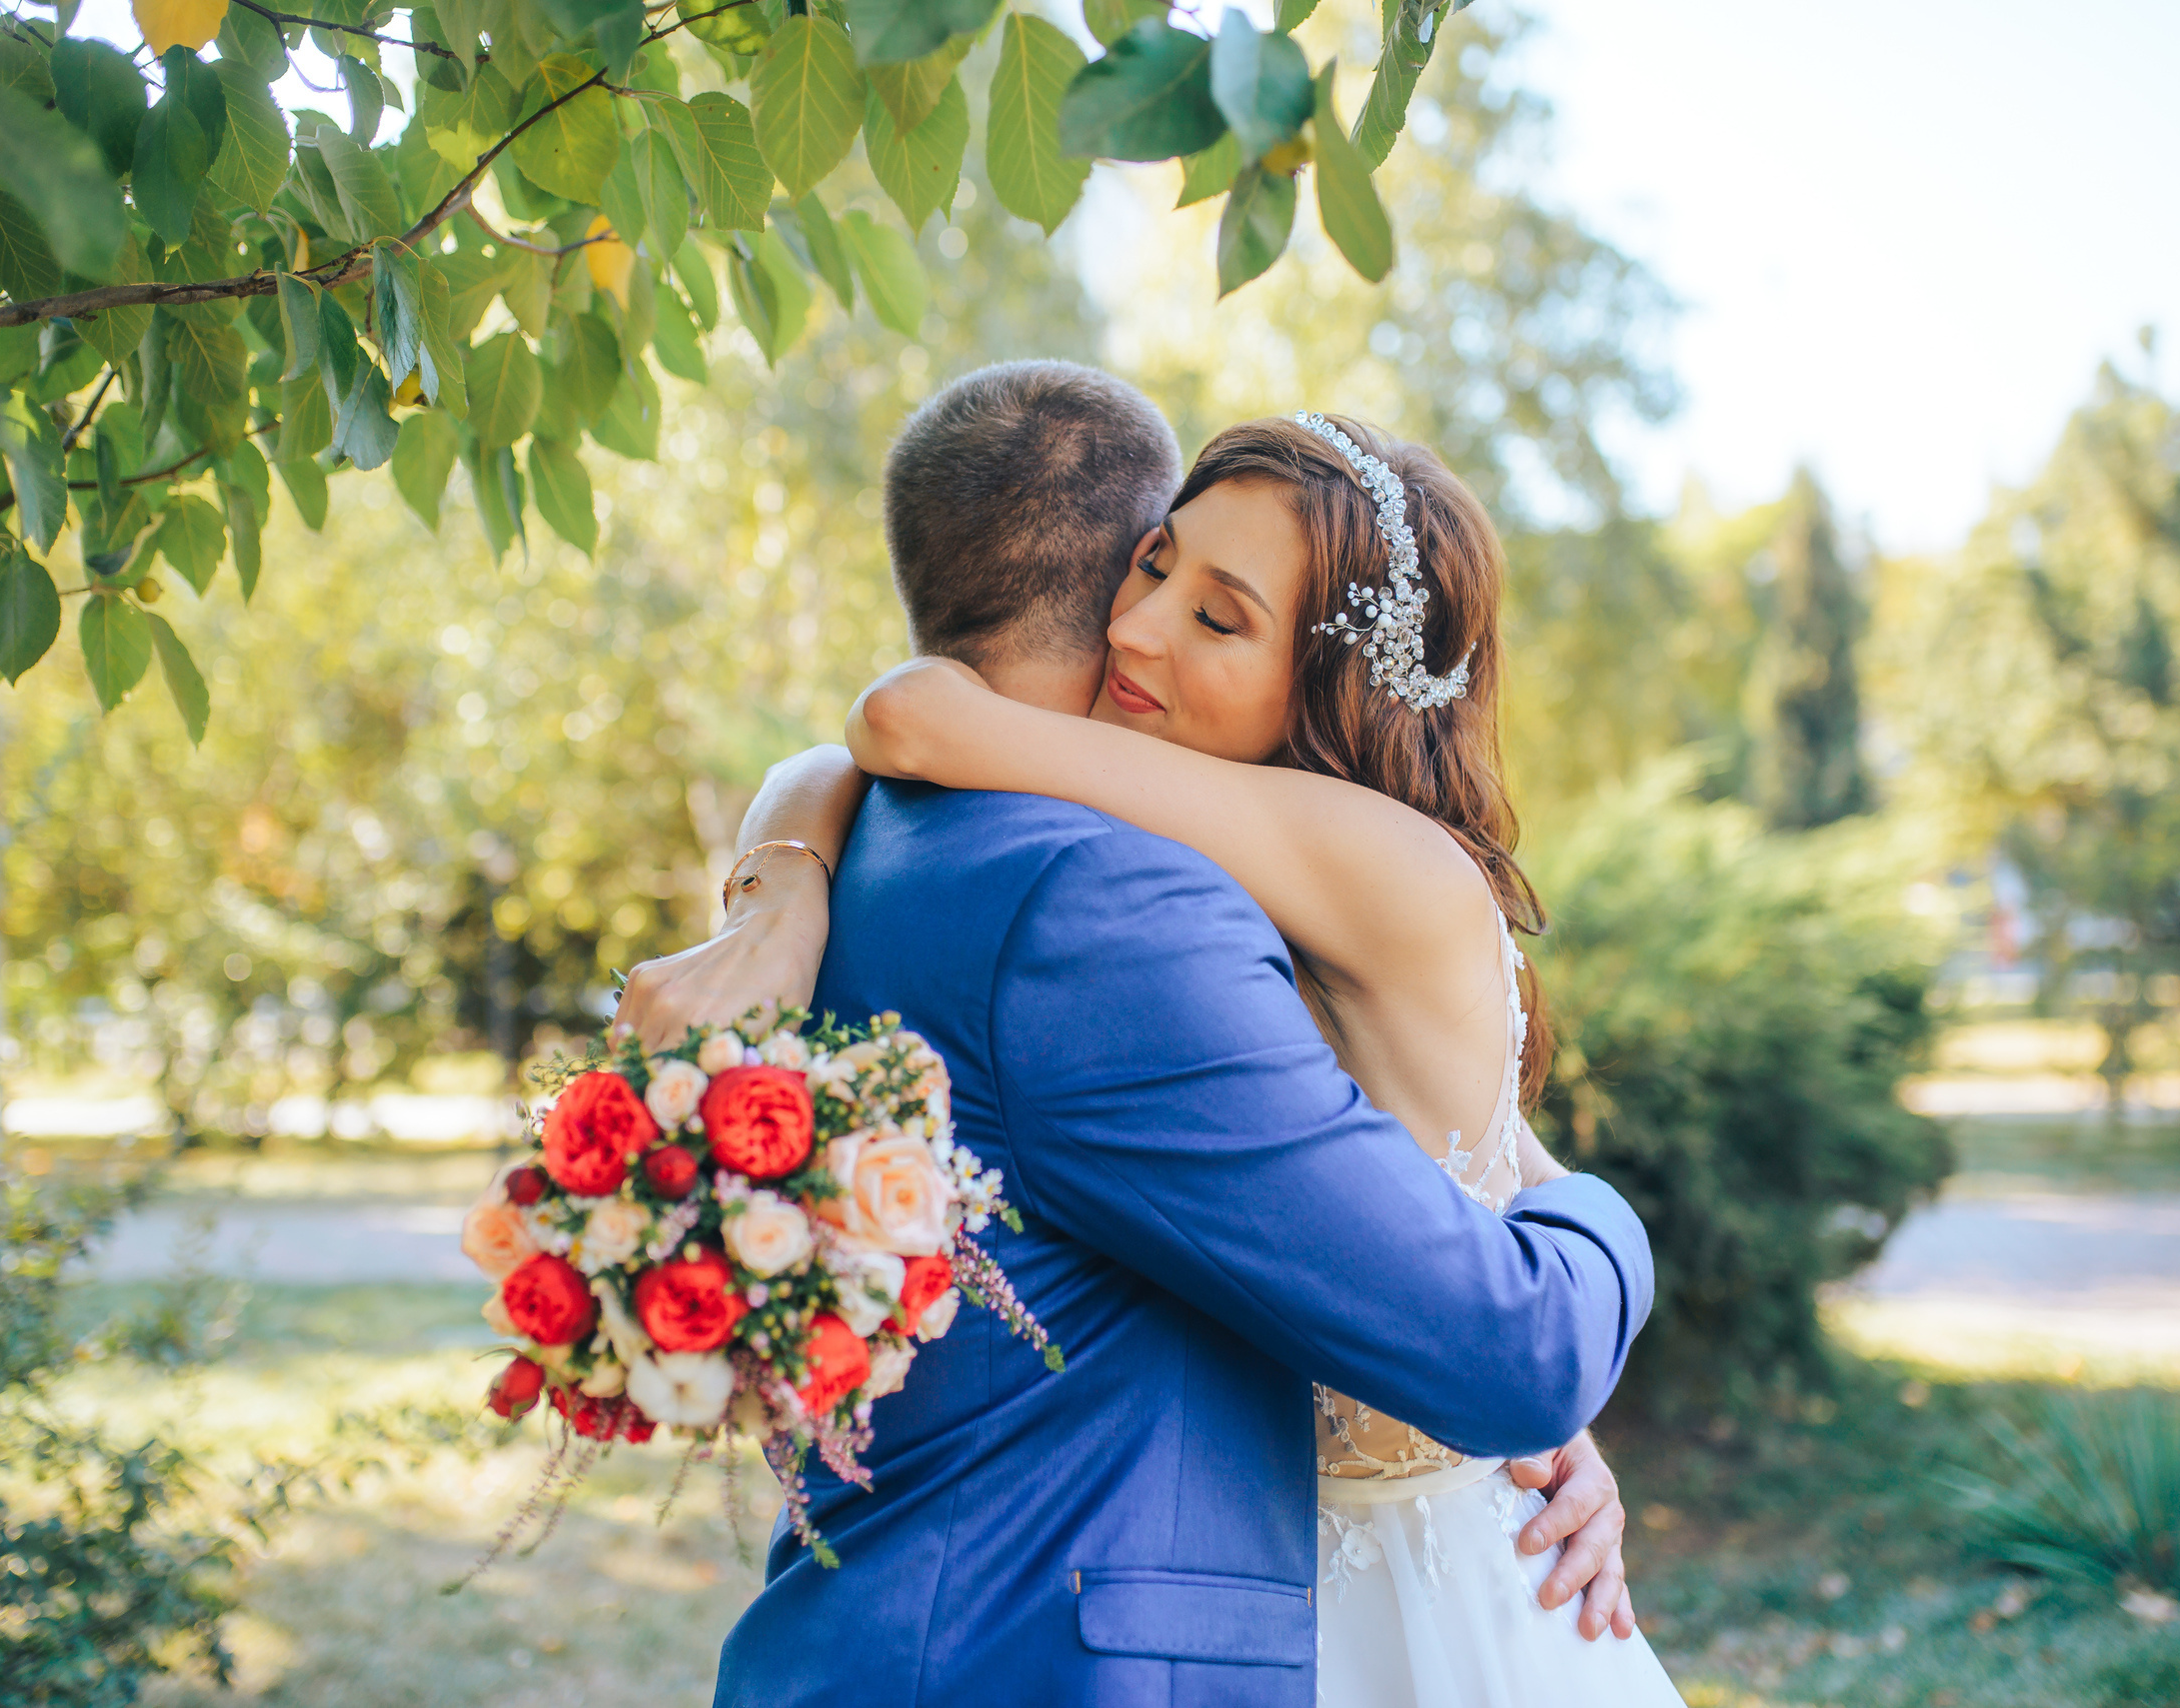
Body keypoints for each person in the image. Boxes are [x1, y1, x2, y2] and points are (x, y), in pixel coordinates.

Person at [618, 362, 1661, 1708]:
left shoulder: (1329, 858)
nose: (1139, 628)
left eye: (1218, 617)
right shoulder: (1186, 870)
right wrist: (781, 874)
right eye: (1155, 565)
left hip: (1424, 1571)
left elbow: (906, 722)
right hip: (1270, 1580)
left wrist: (1597, 1233)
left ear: (1330, 682)